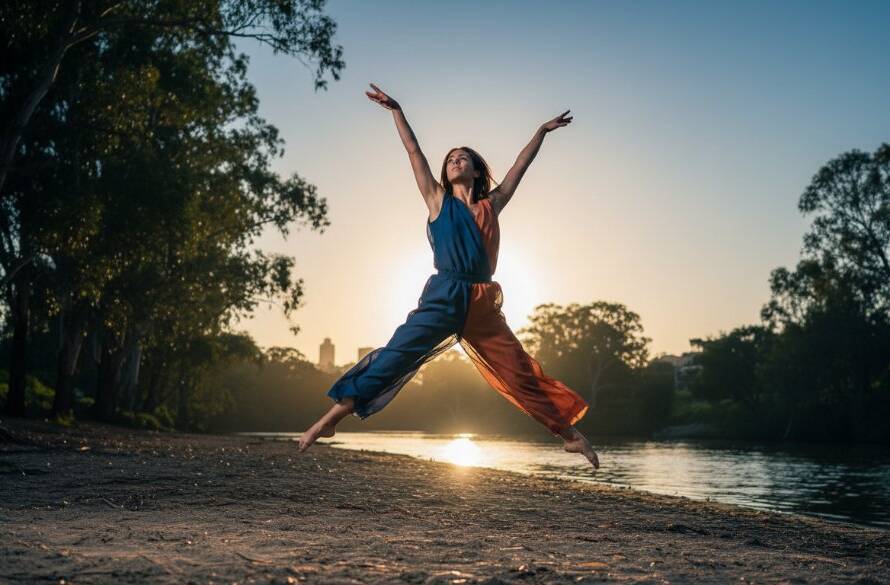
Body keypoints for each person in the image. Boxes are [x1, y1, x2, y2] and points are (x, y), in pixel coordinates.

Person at [298, 83, 599, 469]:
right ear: (445, 171)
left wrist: (541, 131)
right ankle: (329, 421)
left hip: (482, 304)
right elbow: (414, 151)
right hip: (443, 295)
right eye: (451, 159)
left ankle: (571, 437)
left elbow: (519, 167)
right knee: (394, 356)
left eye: (463, 158)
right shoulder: (436, 200)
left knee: (518, 371)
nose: (456, 161)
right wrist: (396, 110)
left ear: (476, 170)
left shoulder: (494, 203)